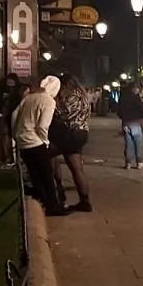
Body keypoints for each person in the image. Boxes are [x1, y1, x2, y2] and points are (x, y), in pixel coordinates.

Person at [13, 76, 68, 216]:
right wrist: (45, 141)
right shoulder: (49, 101)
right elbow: (43, 125)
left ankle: (41, 201)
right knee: (47, 175)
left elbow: (15, 115)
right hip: (35, 142)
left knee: (35, 174)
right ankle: (52, 206)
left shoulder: (30, 97)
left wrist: (16, 134)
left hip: (22, 141)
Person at [49, 74, 93, 212]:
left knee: (49, 155)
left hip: (67, 132)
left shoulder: (69, 97)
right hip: (81, 133)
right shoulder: (84, 97)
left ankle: (57, 193)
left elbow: (62, 114)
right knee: (76, 168)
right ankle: (85, 201)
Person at [0, 73, 21, 164]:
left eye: (12, 82)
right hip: (3, 118)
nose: (10, 84)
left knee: (14, 138)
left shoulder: (17, 94)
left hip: (13, 117)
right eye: (9, 82)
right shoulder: (0, 93)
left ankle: (15, 158)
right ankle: (8, 157)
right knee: (5, 138)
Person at [116, 84, 143, 169]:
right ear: (134, 89)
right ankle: (139, 162)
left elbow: (118, 111)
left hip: (126, 123)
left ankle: (128, 163)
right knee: (138, 143)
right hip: (135, 123)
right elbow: (142, 109)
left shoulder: (123, 98)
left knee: (128, 143)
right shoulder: (135, 98)